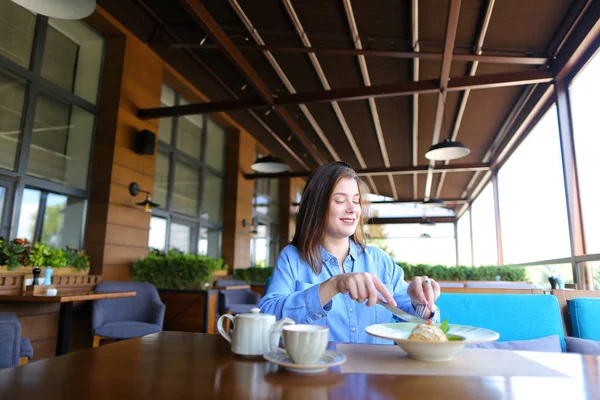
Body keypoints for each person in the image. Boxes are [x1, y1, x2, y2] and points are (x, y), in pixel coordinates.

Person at [259, 161, 441, 344]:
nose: (353, 208)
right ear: (317, 206)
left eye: (356, 201)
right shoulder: (292, 258)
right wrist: (333, 285)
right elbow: (267, 320)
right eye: (340, 200)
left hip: (377, 370)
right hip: (320, 369)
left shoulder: (380, 261)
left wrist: (421, 304)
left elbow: (419, 326)